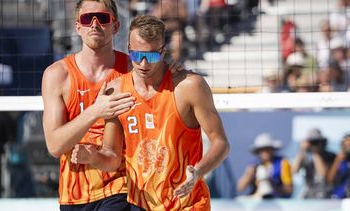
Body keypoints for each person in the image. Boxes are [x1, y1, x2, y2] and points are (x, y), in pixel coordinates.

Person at [72, 15, 230, 210]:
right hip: (141, 204)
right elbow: (113, 159)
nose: (144, 63)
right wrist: (93, 157)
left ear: (163, 52)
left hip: (187, 203)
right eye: (137, 55)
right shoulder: (116, 91)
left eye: (152, 56)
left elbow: (221, 143)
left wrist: (197, 172)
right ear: (129, 50)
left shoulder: (188, 86)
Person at [42, 0, 183, 210]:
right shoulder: (58, 75)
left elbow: (166, 99)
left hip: (123, 186)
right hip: (75, 192)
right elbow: (54, 146)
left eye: (103, 18)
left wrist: (175, 72)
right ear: (77, 26)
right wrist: (96, 111)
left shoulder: (133, 69)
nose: (95, 24)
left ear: (116, 26)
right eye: (87, 18)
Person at [237, 133, 293, 198]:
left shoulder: (283, 163)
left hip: (277, 200)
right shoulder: (253, 166)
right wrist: (249, 175)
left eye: (267, 149)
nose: (265, 152)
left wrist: (271, 184)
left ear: (273, 149)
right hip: (257, 199)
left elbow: (289, 190)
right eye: (262, 149)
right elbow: (240, 188)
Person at [292, 128, 335, 198]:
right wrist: (302, 150)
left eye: (316, 142)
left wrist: (315, 152)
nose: (313, 144)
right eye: (311, 142)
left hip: (325, 193)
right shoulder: (306, 156)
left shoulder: (330, 156)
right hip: (309, 193)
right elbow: (294, 170)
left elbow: (323, 174)